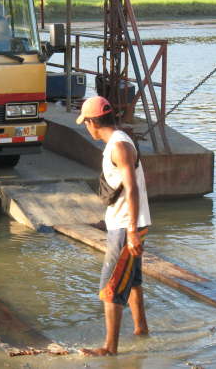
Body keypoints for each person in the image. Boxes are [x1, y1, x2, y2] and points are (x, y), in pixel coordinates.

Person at [76, 96, 151, 356]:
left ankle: (109, 348)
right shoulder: (119, 142)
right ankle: (141, 329)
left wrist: (131, 231)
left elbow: (131, 189)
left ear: (92, 122)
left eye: (86, 123)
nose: (86, 128)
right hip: (128, 223)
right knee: (132, 280)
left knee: (110, 287)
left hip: (125, 226)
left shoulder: (119, 147)